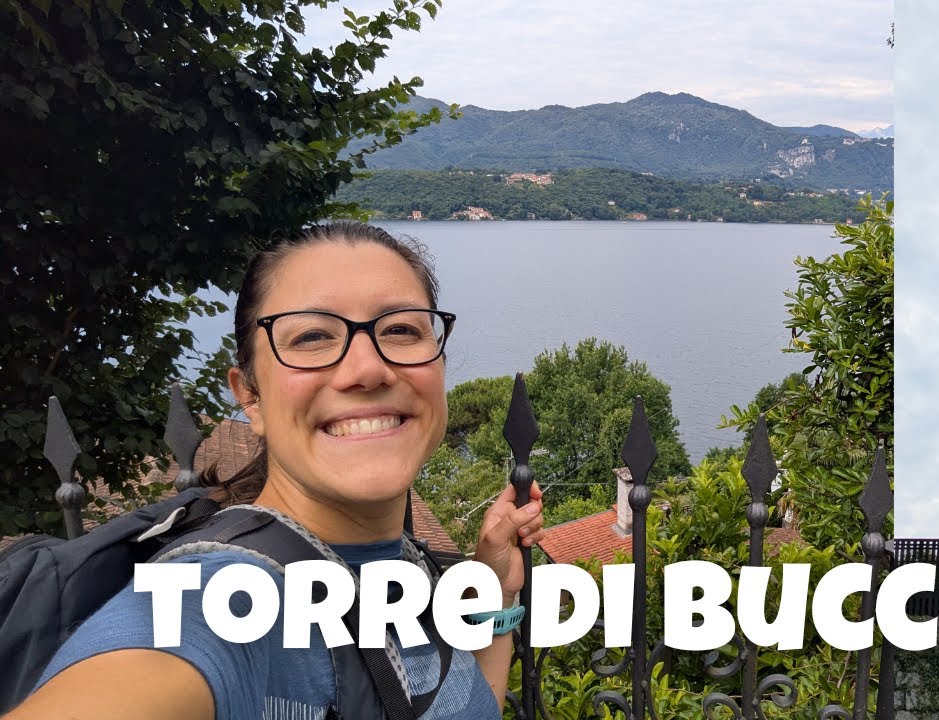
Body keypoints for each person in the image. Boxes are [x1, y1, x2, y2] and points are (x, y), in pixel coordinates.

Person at [5, 221, 544, 720]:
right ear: (251, 397)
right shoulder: (214, 599)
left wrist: (493, 591)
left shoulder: (405, 569)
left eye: (402, 329)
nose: (368, 368)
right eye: (311, 337)